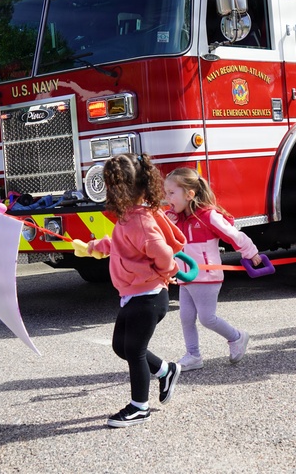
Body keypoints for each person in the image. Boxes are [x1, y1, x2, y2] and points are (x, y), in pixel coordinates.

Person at [87, 153, 183, 428]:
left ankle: (140, 407)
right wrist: (97, 246)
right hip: (134, 293)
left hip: (149, 295)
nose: (111, 192)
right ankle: (166, 370)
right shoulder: (130, 216)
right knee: (121, 346)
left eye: (113, 186)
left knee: (135, 350)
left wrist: (168, 271)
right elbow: (123, 245)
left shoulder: (140, 219)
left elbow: (162, 252)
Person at [163, 167, 261, 370]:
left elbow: (234, 235)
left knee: (207, 318)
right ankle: (193, 355)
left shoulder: (208, 216)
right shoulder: (173, 218)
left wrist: (251, 252)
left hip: (207, 276)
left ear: (189, 194)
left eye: (171, 193)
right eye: (166, 193)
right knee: (186, 318)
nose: (167, 198)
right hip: (185, 277)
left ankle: (237, 337)